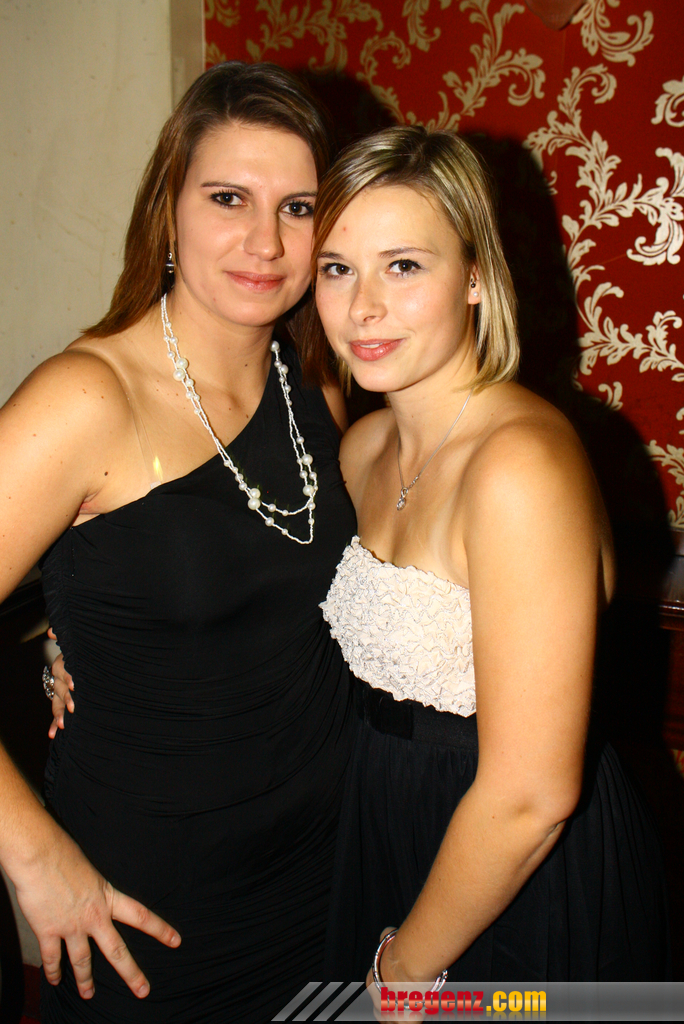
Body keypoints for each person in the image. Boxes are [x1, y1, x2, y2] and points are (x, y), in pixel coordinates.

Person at [0, 62, 357, 1022]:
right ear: (170, 207)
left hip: (328, 878)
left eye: (297, 207)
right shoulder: (84, 399)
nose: (264, 241)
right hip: (152, 911)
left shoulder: (316, 384)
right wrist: (32, 854)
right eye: (228, 198)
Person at [307, 125, 669, 984]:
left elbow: (532, 796)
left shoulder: (520, 468)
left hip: (518, 874)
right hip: (385, 827)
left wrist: (403, 975)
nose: (362, 307)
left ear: (475, 276)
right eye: (337, 268)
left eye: (403, 266)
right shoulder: (362, 450)